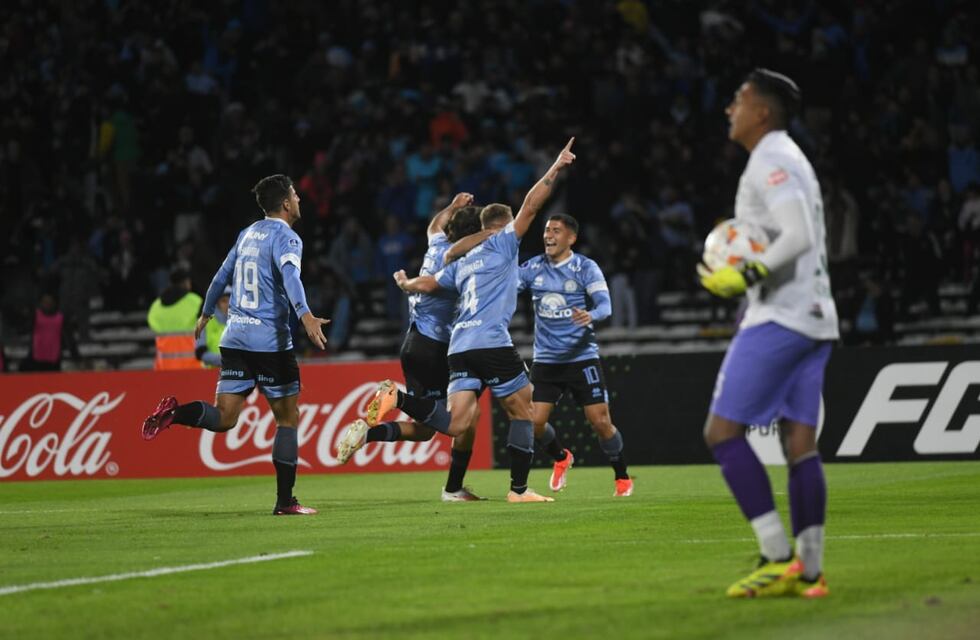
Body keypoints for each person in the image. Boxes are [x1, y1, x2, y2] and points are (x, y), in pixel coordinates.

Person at [697, 69, 838, 598]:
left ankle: (777, 554)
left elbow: (797, 234)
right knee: (800, 442)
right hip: (816, 316)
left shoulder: (771, 159)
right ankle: (811, 570)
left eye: (738, 99)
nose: (730, 108)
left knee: (721, 433)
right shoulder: (790, 155)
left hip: (782, 316)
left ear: (762, 111)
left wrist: (746, 274)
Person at [387, 138, 577, 503]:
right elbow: (533, 204)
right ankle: (519, 491)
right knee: (524, 411)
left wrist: (405, 282)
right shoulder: (504, 242)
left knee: (457, 423)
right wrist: (556, 167)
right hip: (490, 341)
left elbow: (429, 283)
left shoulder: (459, 262)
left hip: (458, 349)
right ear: (500, 226)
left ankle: (398, 397)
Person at [140, 174, 330, 516]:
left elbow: (219, 277)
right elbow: (291, 277)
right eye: (296, 195)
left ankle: (176, 412)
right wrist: (305, 315)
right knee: (287, 419)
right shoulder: (287, 237)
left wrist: (207, 312)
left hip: (235, 339)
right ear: (285, 203)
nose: (300, 200)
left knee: (225, 417)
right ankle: (285, 502)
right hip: (269, 342)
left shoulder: (246, 234)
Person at [336, 195, 490, 502]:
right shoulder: (460, 262)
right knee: (466, 419)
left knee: (425, 430)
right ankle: (453, 488)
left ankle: (368, 433)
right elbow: (433, 284)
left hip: (413, 343)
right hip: (437, 347)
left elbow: (435, 223)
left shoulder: (435, 244)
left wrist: (451, 205)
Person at [516, 213, 633, 497]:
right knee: (534, 423)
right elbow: (505, 289)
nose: (548, 236)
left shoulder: (585, 268)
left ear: (571, 237)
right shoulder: (532, 267)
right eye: (546, 231)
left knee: (600, 422)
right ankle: (560, 457)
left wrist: (590, 315)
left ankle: (622, 476)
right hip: (546, 360)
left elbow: (605, 307)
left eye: (556, 231)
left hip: (582, 359)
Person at [147, 268, 204, 370]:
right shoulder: (195, 301)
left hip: (164, 368)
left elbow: (152, 324)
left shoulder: (156, 305)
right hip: (192, 368)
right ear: (186, 282)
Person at [195, 285, 230, 367]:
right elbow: (200, 353)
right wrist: (225, 361)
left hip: (235, 374)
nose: (228, 304)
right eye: (224, 301)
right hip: (210, 374)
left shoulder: (241, 323)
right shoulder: (204, 323)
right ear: (217, 303)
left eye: (230, 300)